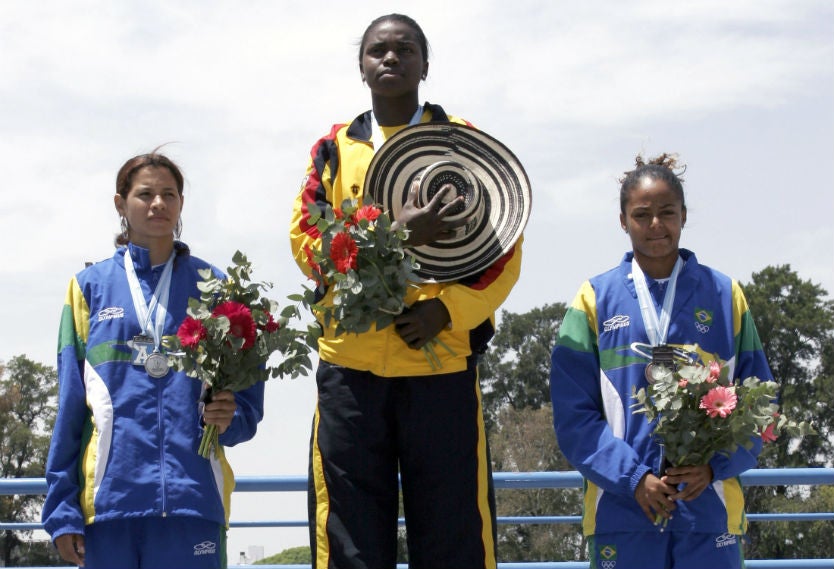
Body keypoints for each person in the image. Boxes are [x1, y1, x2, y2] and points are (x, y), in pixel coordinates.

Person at [289, 14, 522, 569]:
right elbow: (307, 242)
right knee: (349, 537)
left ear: (425, 63)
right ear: (361, 65)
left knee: (454, 534)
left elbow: (504, 246)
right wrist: (396, 233)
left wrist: (448, 311)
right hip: (351, 368)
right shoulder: (333, 149)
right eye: (377, 50)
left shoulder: (462, 141)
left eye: (404, 49)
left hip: (439, 367)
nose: (390, 59)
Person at [42, 150, 265, 569]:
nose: (158, 203)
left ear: (181, 203)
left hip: (193, 501)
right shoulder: (87, 290)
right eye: (145, 194)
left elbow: (247, 405)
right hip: (109, 506)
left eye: (169, 194)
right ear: (120, 203)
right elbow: (70, 408)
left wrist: (230, 415)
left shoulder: (216, 287)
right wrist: (62, 511)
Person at [550, 153, 770, 569]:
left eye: (667, 212)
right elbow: (572, 416)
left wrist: (714, 466)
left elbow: (759, 404)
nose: (655, 225)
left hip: (710, 512)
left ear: (684, 215)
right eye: (642, 214)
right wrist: (633, 480)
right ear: (622, 220)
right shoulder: (592, 300)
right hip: (622, 514)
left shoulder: (726, 297)